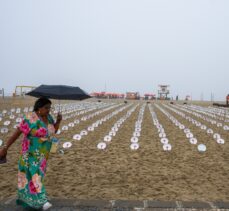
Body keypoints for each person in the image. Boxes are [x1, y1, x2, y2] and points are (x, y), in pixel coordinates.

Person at [0, 97, 62, 210]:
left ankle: (32, 201)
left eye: (49, 107)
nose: (48, 110)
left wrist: (58, 121)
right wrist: (5, 147)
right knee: (35, 174)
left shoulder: (48, 117)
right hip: (30, 153)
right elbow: (17, 133)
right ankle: (42, 201)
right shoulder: (31, 118)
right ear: (39, 108)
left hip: (43, 155)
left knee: (38, 175)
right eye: (46, 107)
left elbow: (54, 130)